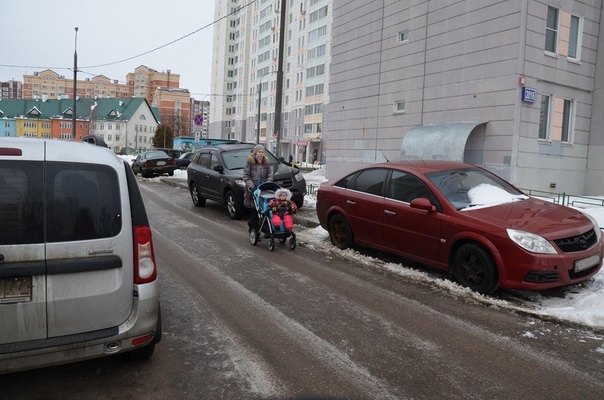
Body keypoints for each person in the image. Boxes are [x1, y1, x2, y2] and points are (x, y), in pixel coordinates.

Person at [244, 144, 273, 232]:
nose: (261, 154)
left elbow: (270, 174)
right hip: (253, 190)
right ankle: (253, 228)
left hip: (263, 191)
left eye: (262, 152)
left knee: (264, 210)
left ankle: (265, 228)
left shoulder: (265, 163)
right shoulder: (250, 163)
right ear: (255, 153)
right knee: (255, 211)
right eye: (259, 152)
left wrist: (268, 183)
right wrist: (251, 185)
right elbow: (246, 176)